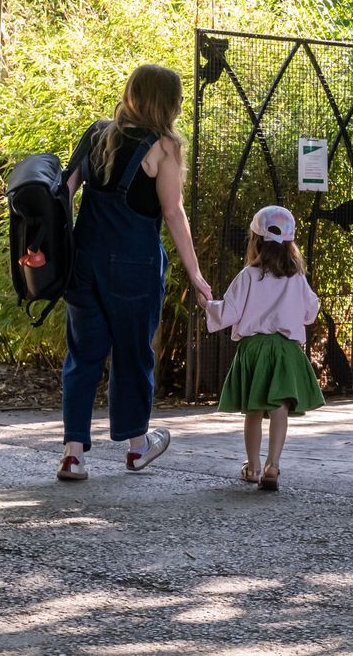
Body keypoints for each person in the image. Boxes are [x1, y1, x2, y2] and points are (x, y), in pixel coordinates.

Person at [56, 64, 213, 482]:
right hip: (135, 267)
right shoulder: (164, 147)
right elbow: (173, 213)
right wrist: (195, 274)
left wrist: (49, 250)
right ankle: (137, 448)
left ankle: (73, 455)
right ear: (168, 102)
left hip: (83, 262)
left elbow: (65, 192)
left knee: (83, 355)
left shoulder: (98, 134)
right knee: (133, 354)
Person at [204, 205, 323, 492]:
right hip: (285, 351)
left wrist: (206, 304)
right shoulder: (296, 278)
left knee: (254, 409)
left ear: (255, 240)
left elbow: (229, 312)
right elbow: (310, 311)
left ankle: (253, 466)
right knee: (280, 408)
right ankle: (273, 465)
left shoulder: (248, 275)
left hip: (254, 349)